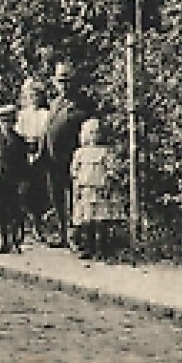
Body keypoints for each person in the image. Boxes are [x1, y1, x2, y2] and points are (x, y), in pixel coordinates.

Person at [41, 59, 95, 249]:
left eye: (67, 80)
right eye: (60, 80)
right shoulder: (54, 103)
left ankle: (76, 238)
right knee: (57, 199)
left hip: (71, 159)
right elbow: (47, 129)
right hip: (52, 160)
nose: (63, 85)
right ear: (54, 82)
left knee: (75, 199)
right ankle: (63, 235)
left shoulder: (82, 103)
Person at [70, 118, 127, 259]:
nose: (94, 136)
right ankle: (88, 248)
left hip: (101, 189)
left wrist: (109, 181)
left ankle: (103, 249)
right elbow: (74, 171)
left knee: (101, 220)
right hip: (86, 189)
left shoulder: (105, 152)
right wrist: (77, 187)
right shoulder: (80, 153)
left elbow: (111, 170)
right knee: (87, 220)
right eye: (91, 133)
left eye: (97, 133)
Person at [14, 76, 52, 246]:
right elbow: (18, 135)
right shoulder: (22, 115)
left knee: (40, 191)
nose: (33, 99)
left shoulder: (46, 114)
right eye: (31, 96)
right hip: (25, 153)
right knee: (24, 191)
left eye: (37, 96)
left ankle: (39, 225)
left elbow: (46, 135)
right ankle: (25, 224)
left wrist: (38, 152)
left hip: (41, 152)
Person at [0, 104, 30, 254]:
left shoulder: (19, 141)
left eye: (9, 122)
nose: (6, 125)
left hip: (14, 181)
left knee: (15, 211)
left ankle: (16, 240)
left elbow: (24, 164)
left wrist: (23, 181)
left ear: (14, 123)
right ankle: (4, 241)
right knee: (0, 213)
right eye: (3, 122)